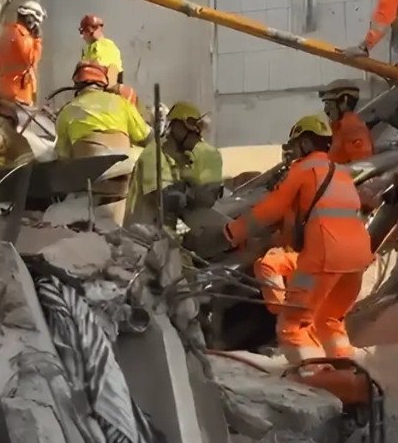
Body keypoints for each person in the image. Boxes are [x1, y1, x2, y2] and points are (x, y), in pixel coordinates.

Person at [221, 115, 373, 364]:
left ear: (304, 143)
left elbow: (271, 208)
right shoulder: (341, 173)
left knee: (293, 325)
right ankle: (347, 371)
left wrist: (233, 231)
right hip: (357, 260)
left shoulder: (303, 170)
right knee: (329, 321)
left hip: (325, 257)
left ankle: (314, 378)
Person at [55, 61, 151, 209]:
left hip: (89, 176)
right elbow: (145, 136)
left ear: (76, 84)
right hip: (124, 172)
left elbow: (62, 155)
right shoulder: (120, 103)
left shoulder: (67, 110)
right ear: (103, 83)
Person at [124, 102, 223, 228]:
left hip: (162, 236)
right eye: (190, 128)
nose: (196, 135)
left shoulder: (182, 158)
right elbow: (165, 198)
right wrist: (193, 192)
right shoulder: (154, 153)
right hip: (140, 235)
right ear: (176, 126)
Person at [0, 1, 45, 105]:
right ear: (30, 19)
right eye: (36, 23)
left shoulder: (7, 32)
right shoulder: (23, 37)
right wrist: (37, 40)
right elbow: (32, 60)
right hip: (18, 95)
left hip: (4, 90)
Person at [318, 79, 374, 164]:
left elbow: (361, 166)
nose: (326, 110)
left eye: (329, 104)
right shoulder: (338, 127)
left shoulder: (352, 129)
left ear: (345, 101)